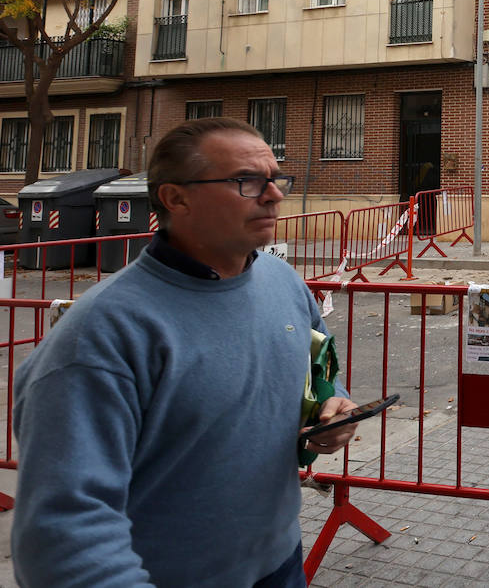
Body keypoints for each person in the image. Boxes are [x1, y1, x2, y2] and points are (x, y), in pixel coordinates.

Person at [11, 118, 359, 587]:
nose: (274, 194)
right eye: (247, 181)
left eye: (276, 179)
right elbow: (64, 537)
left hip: (280, 564)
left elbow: (319, 370)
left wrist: (335, 409)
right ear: (176, 198)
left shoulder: (283, 283)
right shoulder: (101, 335)